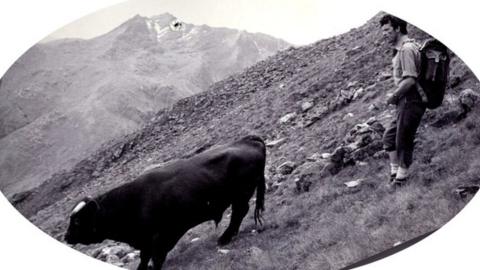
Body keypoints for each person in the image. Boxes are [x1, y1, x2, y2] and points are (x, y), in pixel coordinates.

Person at [379, 14, 426, 186]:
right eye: (383, 31)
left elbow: (410, 79)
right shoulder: (401, 49)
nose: (384, 34)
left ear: (398, 28)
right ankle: (394, 173)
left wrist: (394, 96)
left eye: (387, 30)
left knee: (403, 139)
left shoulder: (406, 49)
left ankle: (401, 180)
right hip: (404, 100)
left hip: (411, 99)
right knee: (390, 137)